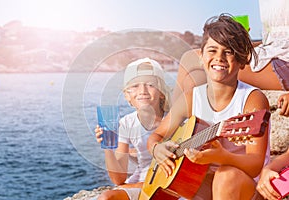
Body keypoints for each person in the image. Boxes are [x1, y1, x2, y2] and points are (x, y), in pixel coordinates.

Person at [148, 14, 270, 199]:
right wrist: (157, 149)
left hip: (241, 184)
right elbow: (156, 136)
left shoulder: (252, 99)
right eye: (212, 50)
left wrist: (221, 157)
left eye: (228, 52)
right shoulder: (191, 98)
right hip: (199, 181)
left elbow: (255, 165)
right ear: (201, 56)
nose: (219, 57)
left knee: (224, 176)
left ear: (242, 60)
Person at [172, 0, 289, 117]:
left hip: (284, 63)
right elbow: (277, 40)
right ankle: (187, 130)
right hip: (276, 52)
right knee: (194, 79)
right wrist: (244, 44)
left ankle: (169, 122)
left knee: (190, 59)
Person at [95, 57, 171, 200]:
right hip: (140, 183)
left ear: (161, 92)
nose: (142, 91)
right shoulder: (126, 123)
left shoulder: (176, 118)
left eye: (150, 84)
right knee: (106, 198)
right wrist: (107, 147)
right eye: (134, 86)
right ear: (127, 96)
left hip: (170, 183)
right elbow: (119, 179)